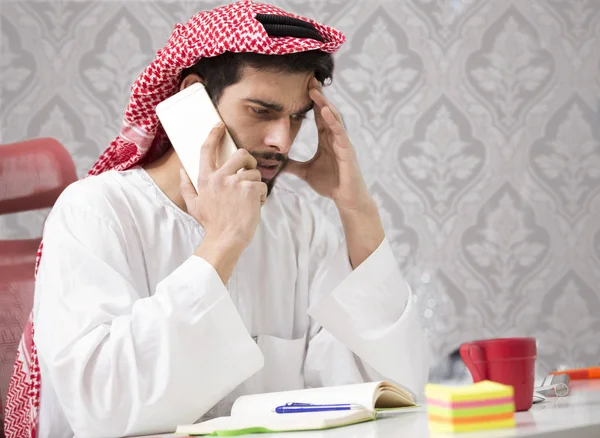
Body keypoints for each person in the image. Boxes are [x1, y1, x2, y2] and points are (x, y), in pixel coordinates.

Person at [4, 1, 429, 437]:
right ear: (194, 99)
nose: (281, 142)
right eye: (261, 111)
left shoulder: (298, 225)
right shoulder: (97, 212)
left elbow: (386, 392)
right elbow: (104, 409)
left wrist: (356, 208)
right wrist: (222, 243)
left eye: (296, 117)